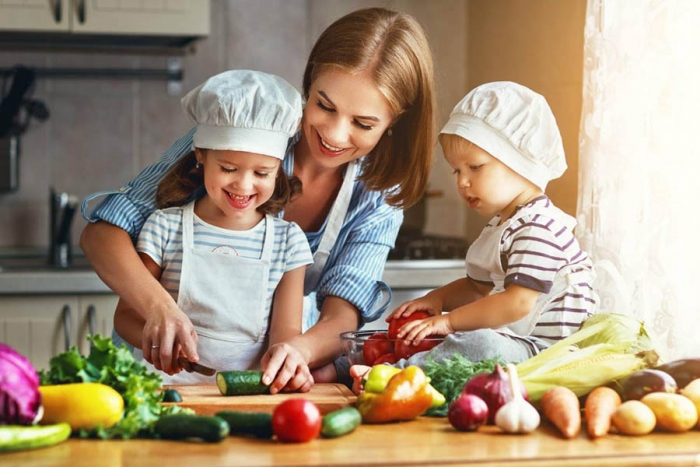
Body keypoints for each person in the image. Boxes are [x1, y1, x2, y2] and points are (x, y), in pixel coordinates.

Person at [79, 7, 436, 393]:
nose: (334, 133)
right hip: (154, 375)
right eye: (324, 106)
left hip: (250, 382)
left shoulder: (378, 196)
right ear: (310, 79)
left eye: (363, 124)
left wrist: (296, 352)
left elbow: (340, 316)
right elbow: (102, 235)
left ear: (394, 121)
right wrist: (159, 310)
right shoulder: (240, 132)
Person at [351, 82, 599, 387]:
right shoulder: (504, 225)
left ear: (520, 161)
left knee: (482, 345)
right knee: (466, 338)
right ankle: (357, 364)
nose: (463, 182)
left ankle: (396, 375)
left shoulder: (539, 227)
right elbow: (476, 288)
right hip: (517, 342)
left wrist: (449, 321)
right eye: (457, 171)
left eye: (475, 167)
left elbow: (518, 303)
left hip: (546, 354)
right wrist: (436, 299)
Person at [111, 70, 314, 385]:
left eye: (262, 173)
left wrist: (285, 366)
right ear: (200, 155)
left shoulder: (288, 243)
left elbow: (285, 337)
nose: (244, 185)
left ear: (278, 169)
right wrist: (160, 344)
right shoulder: (165, 227)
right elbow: (126, 317)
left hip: (245, 395)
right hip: (166, 389)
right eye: (229, 168)